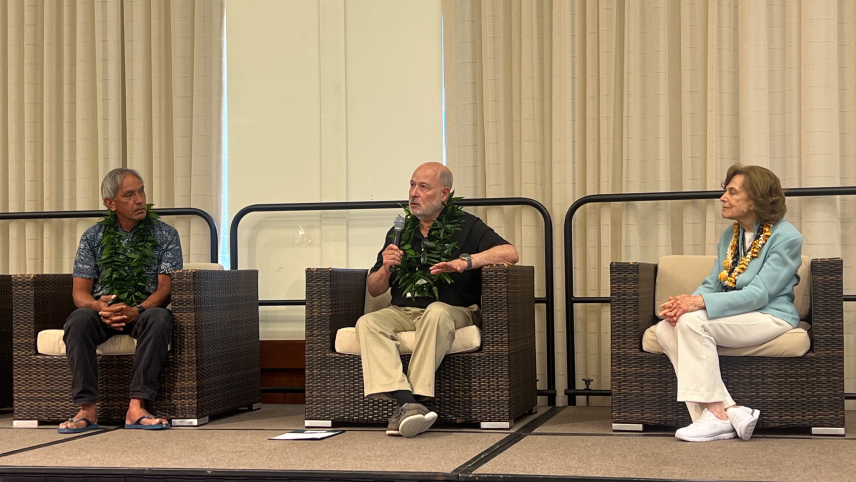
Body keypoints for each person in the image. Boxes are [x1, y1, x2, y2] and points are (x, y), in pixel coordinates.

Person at [358, 162, 519, 438]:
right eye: (412, 185)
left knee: (436, 312)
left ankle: (411, 402)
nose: (414, 193)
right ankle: (408, 403)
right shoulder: (399, 232)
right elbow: (374, 289)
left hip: (455, 310)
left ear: (444, 194)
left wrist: (465, 262)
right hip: (402, 310)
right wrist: (385, 268)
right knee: (368, 323)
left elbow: (510, 253)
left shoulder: (467, 225)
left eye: (423, 187)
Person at [656, 164, 803, 442]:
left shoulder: (787, 237)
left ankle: (714, 416)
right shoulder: (730, 235)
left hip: (770, 315)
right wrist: (685, 303)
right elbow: (714, 282)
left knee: (693, 322)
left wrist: (698, 304)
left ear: (755, 200)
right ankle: (725, 412)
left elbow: (759, 294)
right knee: (665, 328)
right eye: (726, 191)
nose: (723, 197)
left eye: (733, 192)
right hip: (736, 316)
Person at [58, 168, 182, 433]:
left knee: (160, 318)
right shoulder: (93, 237)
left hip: (144, 311)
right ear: (110, 203)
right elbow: (80, 293)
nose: (139, 200)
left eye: (141, 191)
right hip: (103, 313)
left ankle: (137, 406)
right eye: (129, 194)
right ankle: (87, 409)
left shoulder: (165, 234)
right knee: (78, 321)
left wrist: (137, 309)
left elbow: (165, 288)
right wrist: (98, 306)